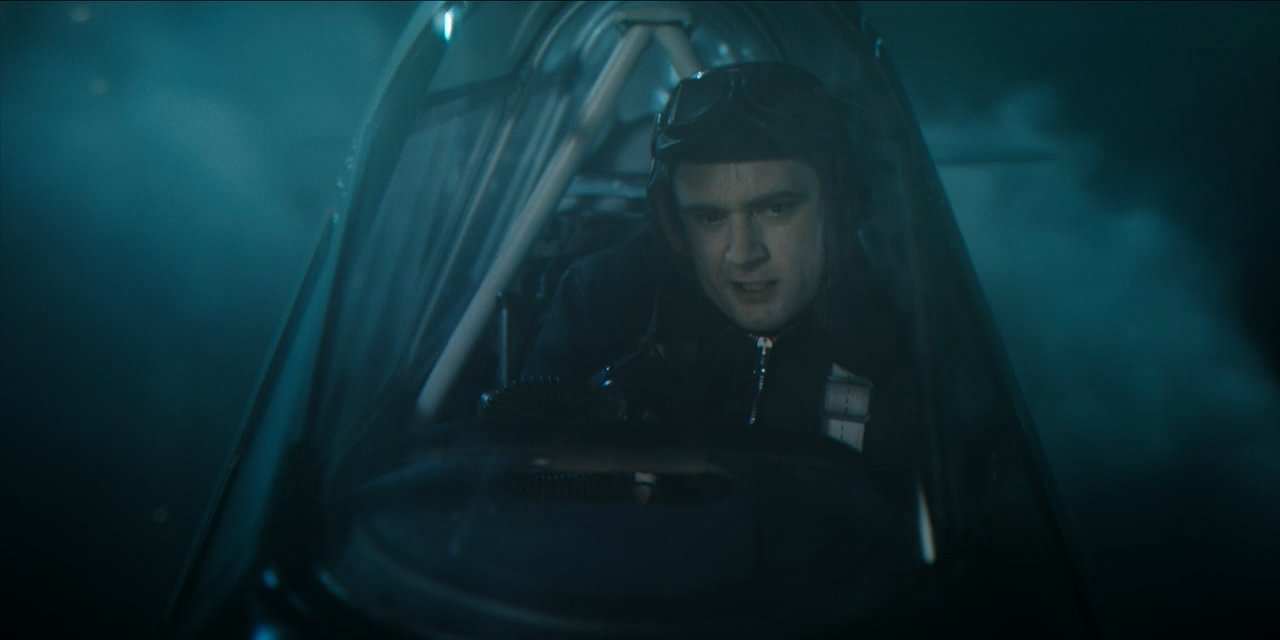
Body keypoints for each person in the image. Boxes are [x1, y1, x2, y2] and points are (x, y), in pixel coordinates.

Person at [521, 62, 916, 462]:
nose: (743, 254)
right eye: (710, 217)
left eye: (776, 209)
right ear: (674, 225)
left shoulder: (903, 334)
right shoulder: (602, 304)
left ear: (837, 214)